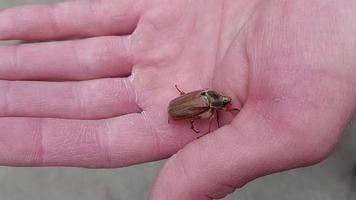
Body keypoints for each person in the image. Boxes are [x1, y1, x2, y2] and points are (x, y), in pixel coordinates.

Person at [0, 0, 355, 199]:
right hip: (182, 106)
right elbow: (195, 112)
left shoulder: (207, 95)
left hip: (184, 102)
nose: (222, 103)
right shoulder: (205, 103)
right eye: (220, 103)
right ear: (212, 102)